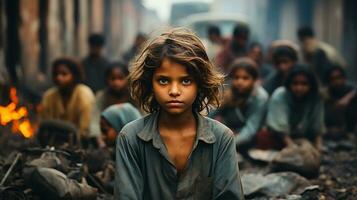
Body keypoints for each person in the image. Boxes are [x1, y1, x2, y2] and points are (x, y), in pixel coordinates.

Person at [115, 28, 244, 199]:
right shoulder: (130, 138)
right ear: (150, 83)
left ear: (200, 83)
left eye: (185, 81)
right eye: (163, 80)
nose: (174, 91)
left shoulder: (221, 138)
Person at [210, 58, 269, 152]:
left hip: (249, 138)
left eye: (245, 78)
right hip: (229, 132)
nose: (240, 82)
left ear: (254, 80)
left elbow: (251, 128)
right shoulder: (228, 92)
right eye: (236, 77)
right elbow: (211, 115)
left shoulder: (260, 97)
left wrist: (229, 144)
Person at [266, 66, 324, 150]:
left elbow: (317, 123)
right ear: (289, 84)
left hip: (303, 134)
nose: (299, 88)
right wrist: (292, 147)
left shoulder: (316, 96)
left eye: (304, 84)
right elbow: (279, 127)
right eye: (295, 83)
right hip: (280, 137)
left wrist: (319, 146)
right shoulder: (280, 95)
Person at [41, 58, 95, 140]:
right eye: (56, 74)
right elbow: (44, 123)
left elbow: (85, 129)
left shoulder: (84, 94)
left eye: (64, 74)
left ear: (74, 75)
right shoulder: (49, 96)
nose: (59, 78)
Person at [89, 61, 133, 138]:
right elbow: (95, 119)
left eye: (120, 78)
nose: (116, 82)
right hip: (107, 137)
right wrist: (98, 137)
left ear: (127, 78)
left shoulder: (134, 95)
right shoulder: (102, 96)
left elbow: (142, 118)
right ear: (107, 79)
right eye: (113, 79)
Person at [323, 65, 356, 135]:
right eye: (332, 79)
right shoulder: (326, 94)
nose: (337, 81)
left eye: (339, 78)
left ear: (344, 78)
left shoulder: (349, 89)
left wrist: (348, 97)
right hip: (331, 129)